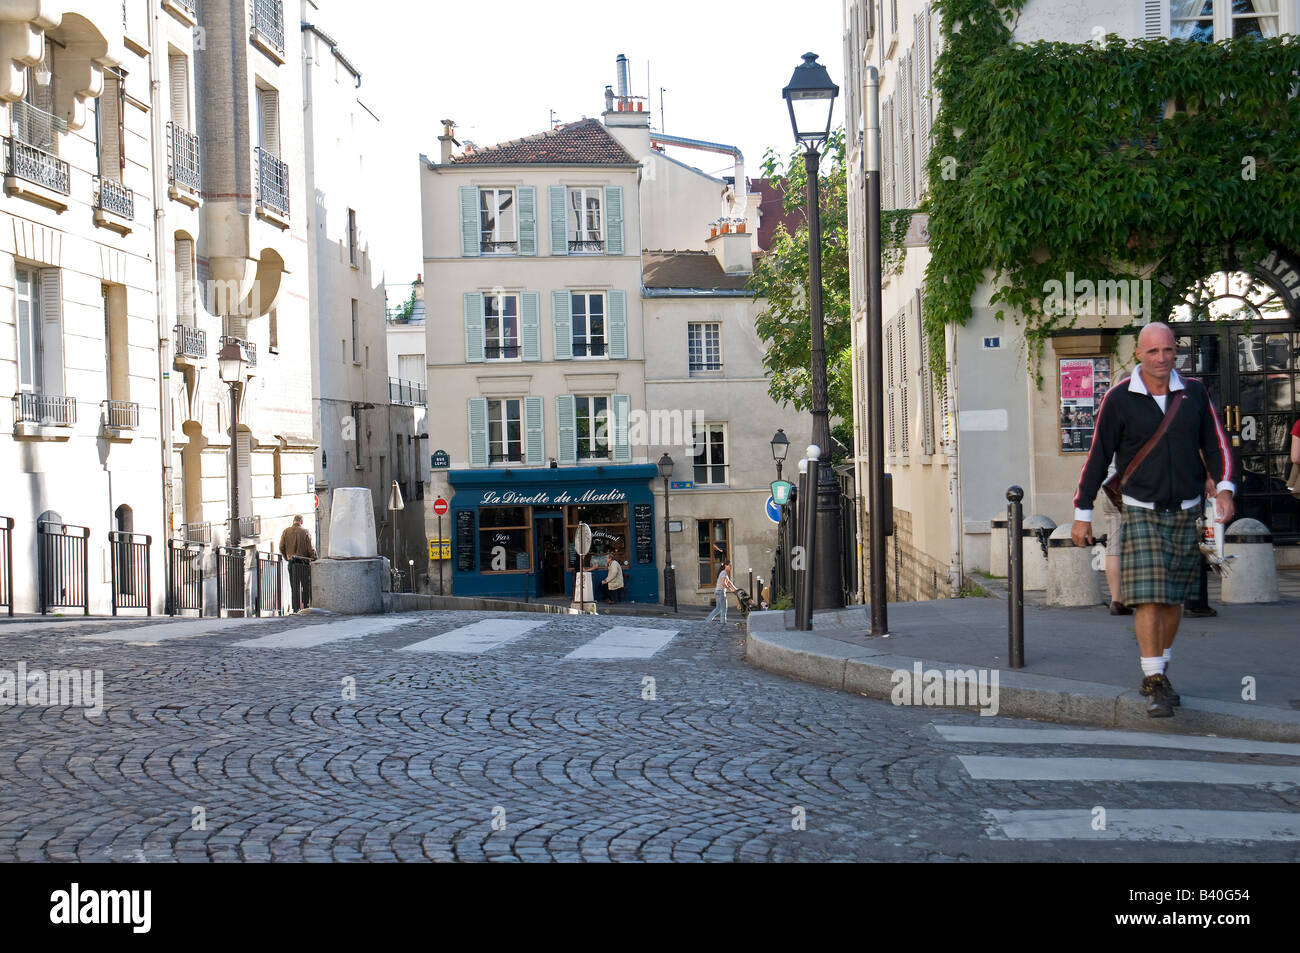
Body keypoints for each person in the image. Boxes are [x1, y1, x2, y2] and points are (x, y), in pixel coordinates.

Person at [1071, 322, 1234, 717]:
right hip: (1141, 508)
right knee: (1148, 596)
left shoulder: (1193, 392)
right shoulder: (1119, 398)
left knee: (1172, 599)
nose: (1162, 358)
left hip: (1188, 509)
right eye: (1153, 352)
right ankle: (1154, 680)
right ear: (1139, 356)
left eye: (1168, 350)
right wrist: (1082, 512)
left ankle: (1160, 668)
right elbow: (1097, 456)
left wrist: (1225, 487)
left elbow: (1216, 444)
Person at [279, 515, 317, 612]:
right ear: (301, 522)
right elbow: (310, 548)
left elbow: (281, 547)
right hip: (303, 562)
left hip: (292, 562)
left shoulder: (286, 531)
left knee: (294, 585)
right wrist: (314, 558)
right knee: (305, 585)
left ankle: (295, 608)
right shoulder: (305, 532)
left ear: (293, 521)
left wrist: (287, 557)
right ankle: (305, 606)